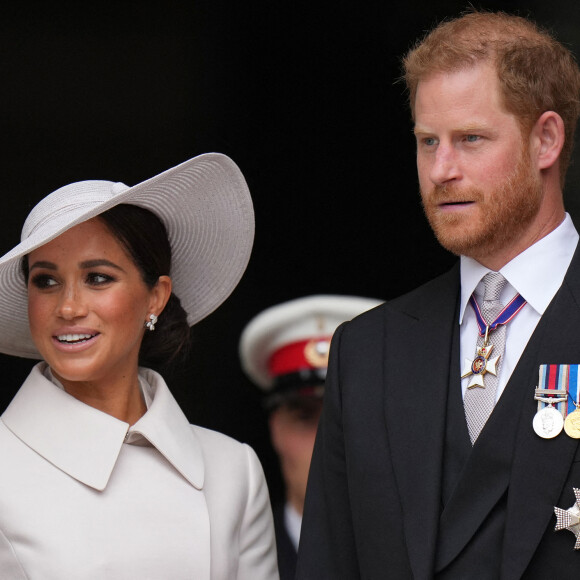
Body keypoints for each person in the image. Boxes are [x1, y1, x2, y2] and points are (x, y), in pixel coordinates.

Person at [296, 10, 580, 580]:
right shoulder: (367, 352)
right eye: (428, 142)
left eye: (470, 139)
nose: (440, 169)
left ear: (546, 139)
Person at [0, 153, 279, 579]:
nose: (69, 306)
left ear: (156, 296)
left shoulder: (232, 470)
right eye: (46, 281)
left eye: (97, 278)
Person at [239, 295, 382, 580]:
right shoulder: (232, 559)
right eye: (305, 416)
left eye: (351, 416)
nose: (327, 440)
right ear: (275, 428)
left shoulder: (428, 556)